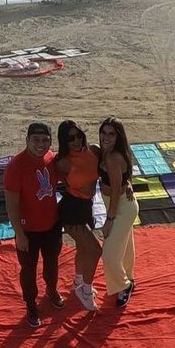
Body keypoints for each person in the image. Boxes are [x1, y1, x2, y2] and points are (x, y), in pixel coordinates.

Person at [3, 122, 65, 328]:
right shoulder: (16, 167)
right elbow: (11, 206)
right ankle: (31, 304)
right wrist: (19, 234)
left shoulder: (52, 159)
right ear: (27, 140)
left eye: (45, 140)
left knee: (52, 263)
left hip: (51, 225)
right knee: (28, 270)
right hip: (28, 230)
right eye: (36, 140)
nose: (41, 144)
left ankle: (51, 290)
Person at [54, 120, 102, 312]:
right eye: (70, 138)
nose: (75, 141)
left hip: (87, 206)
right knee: (95, 250)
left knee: (83, 248)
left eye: (78, 135)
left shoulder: (94, 151)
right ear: (63, 141)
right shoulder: (62, 162)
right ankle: (86, 291)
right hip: (71, 209)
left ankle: (78, 282)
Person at [98, 117, 139, 307]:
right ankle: (129, 277)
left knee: (109, 254)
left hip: (120, 207)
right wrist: (127, 184)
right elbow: (123, 177)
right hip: (121, 203)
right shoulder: (106, 152)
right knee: (126, 245)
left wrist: (109, 220)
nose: (106, 137)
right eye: (103, 132)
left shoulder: (113, 157)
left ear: (118, 137)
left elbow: (115, 190)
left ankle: (124, 285)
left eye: (111, 134)